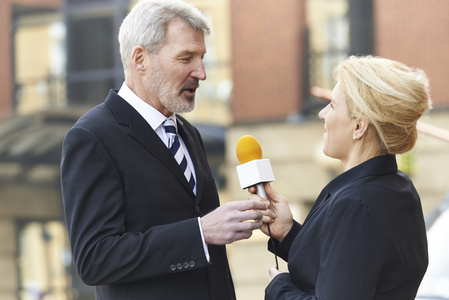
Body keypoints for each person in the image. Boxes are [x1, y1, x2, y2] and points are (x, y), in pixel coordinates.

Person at [60, 0, 269, 299]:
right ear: (140, 59)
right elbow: (95, 258)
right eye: (186, 58)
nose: (202, 73)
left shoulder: (189, 134)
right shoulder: (92, 136)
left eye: (202, 58)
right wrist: (200, 233)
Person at [251, 55, 432, 299]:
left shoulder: (356, 202)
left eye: (333, 106)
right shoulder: (397, 186)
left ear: (359, 127)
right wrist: (286, 232)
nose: (322, 114)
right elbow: (351, 268)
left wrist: (279, 287)